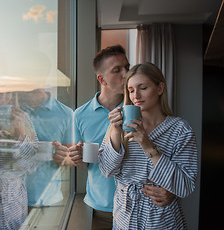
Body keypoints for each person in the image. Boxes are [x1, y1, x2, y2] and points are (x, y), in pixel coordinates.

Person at [69, 45, 175, 229]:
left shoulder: (142, 107)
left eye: (127, 67)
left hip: (144, 209)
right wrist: (76, 157)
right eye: (117, 70)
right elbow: (86, 162)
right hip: (101, 208)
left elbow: (167, 156)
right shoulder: (80, 115)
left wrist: (173, 191)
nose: (126, 74)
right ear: (101, 79)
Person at [98, 62, 198, 229]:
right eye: (130, 90)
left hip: (161, 222)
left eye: (143, 88)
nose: (135, 96)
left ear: (160, 88)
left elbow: (185, 186)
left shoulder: (180, 130)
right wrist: (115, 131)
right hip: (124, 221)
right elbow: (107, 170)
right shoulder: (119, 127)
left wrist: (147, 145)